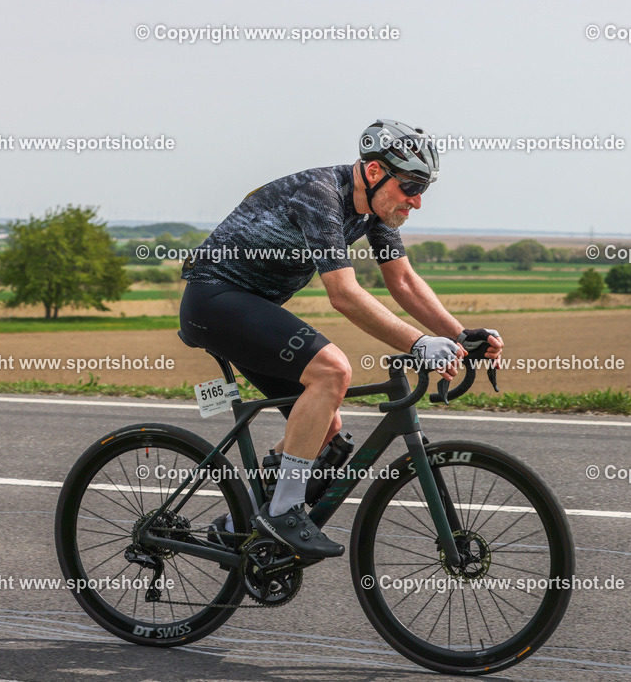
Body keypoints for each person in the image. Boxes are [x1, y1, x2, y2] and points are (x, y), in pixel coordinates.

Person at [179, 119, 503, 558]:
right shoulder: (320, 195)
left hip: (253, 309)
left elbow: (403, 281)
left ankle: (237, 526)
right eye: (411, 186)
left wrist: (459, 335)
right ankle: (284, 512)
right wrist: (417, 343)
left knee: (327, 435)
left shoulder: (373, 208)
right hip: (214, 300)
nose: (417, 201)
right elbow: (344, 295)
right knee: (333, 371)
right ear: (374, 172)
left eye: (423, 189)